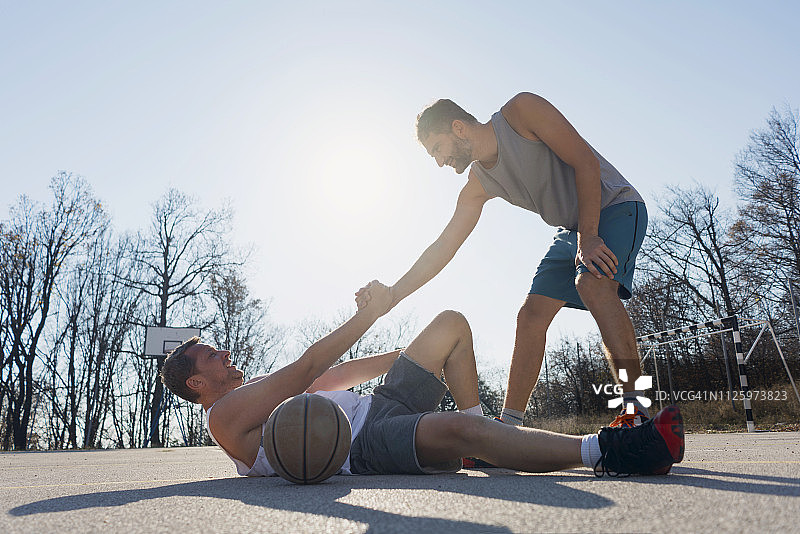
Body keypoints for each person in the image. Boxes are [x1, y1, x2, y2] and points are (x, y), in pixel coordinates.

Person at [160, 281, 684, 478]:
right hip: (359, 446)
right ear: (196, 386)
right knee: (455, 427)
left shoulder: (265, 400)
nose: (223, 352)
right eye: (209, 355)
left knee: (451, 325)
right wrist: (371, 314)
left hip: (377, 406)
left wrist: (411, 353)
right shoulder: (225, 418)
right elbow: (302, 369)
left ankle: (487, 443)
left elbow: (333, 373)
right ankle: (612, 451)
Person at [356, 93, 649, 428]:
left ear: (458, 128)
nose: (439, 162)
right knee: (530, 315)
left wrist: (589, 234)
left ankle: (636, 412)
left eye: (437, 149)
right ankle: (508, 428)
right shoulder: (478, 185)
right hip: (571, 230)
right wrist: (393, 294)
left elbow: (586, 161)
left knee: (593, 285)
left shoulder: (521, 112)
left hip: (613, 207)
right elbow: (443, 247)